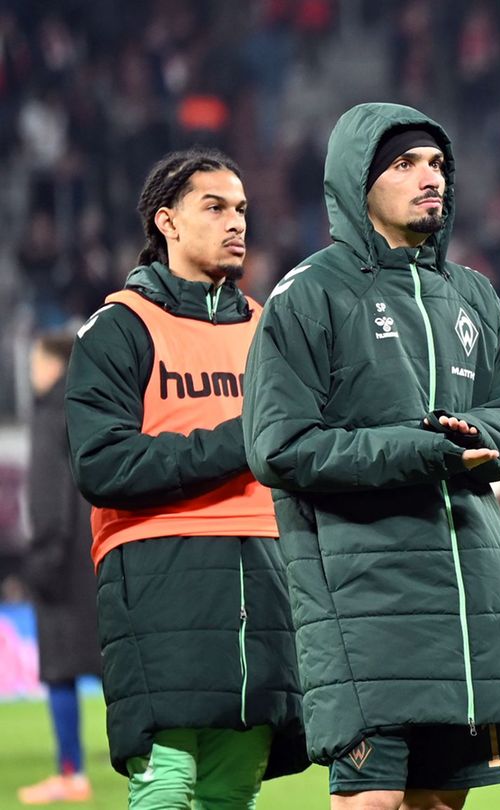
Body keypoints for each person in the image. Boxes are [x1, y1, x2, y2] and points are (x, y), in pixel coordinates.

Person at [243, 102, 500, 810]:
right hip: (364, 604)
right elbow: (280, 447)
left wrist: (478, 437)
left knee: (440, 804)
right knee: (371, 802)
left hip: (472, 604)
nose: (429, 177)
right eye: (405, 164)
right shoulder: (309, 294)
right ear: (358, 183)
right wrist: (430, 448)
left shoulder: (471, 293)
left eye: (437, 164)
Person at [64, 147, 308, 808]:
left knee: (233, 789)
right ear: (167, 222)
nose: (236, 223)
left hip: (266, 569)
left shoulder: (272, 331)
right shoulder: (118, 330)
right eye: (215, 207)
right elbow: (102, 464)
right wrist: (240, 441)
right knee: (167, 782)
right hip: (157, 570)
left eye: (242, 209)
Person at [17, 331, 103, 806]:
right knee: (115, 668)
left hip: (61, 563)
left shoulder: (49, 412)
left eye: (35, 361)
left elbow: (47, 497)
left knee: (60, 670)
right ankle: (152, 761)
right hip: (98, 555)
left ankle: (71, 772)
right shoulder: (90, 407)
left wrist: (42, 560)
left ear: (52, 364)